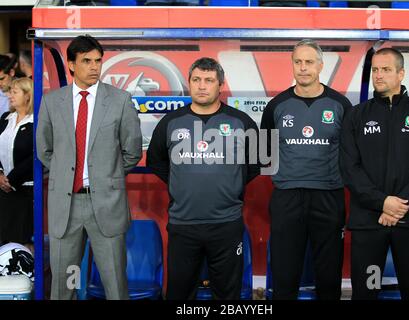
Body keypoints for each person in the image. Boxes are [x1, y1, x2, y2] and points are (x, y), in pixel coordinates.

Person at [36, 35, 142, 300]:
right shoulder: (52, 102)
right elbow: (44, 151)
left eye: (98, 61)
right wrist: (65, 175)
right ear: (71, 65)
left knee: (115, 285)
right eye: (86, 61)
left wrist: (107, 176)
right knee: (66, 284)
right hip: (67, 209)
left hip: (106, 205)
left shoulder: (119, 100)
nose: (94, 67)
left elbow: (132, 151)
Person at [147, 57, 259, 300]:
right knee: (179, 293)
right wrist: (182, 182)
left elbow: (257, 163)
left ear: (221, 85)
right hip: (183, 224)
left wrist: (230, 185)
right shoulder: (170, 122)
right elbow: (156, 162)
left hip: (226, 223)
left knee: (228, 294)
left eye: (209, 80)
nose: (201, 85)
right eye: (196, 79)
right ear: (189, 83)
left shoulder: (242, 122)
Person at [340, 48, 409, 300]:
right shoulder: (356, 115)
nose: (378, 75)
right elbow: (350, 168)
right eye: (375, 70)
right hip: (368, 222)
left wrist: (399, 205)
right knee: (366, 292)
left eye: (385, 69)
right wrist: (382, 202)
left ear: (401, 73)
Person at [260, 39, 351, 300]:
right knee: (284, 272)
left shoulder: (341, 105)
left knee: (329, 272)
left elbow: (350, 153)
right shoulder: (276, 105)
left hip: (329, 195)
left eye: (309, 62)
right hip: (287, 197)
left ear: (320, 65)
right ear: (292, 65)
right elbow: (263, 155)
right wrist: (288, 175)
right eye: (297, 62)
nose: (303, 68)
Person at [0, 78, 34, 251]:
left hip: (25, 190)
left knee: (22, 240)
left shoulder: (36, 122)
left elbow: (34, 156)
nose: (9, 95)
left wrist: (11, 179)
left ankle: (29, 275)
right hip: (3, 189)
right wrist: (0, 176)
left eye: (15, 92)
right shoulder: (6, 118)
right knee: (4, 239)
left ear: (27, 96)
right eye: (10, 91)